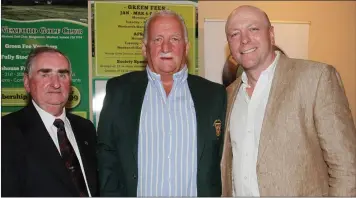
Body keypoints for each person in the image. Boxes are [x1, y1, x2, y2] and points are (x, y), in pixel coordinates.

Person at [220, 5, 356, 196]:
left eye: (253, 29)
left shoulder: (315, 79)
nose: (244, 40)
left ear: (271, 34)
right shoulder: (227, 95)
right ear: (229, 45)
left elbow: (346, 167)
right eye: (235, 34)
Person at [97, 10, 226, 197]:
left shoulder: (214, 95)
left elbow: (221, 158)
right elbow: (106, 153)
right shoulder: (119, 91)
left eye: (174, 39)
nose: (166, 47)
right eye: (157, 39)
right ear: (144, 48)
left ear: (187, 47)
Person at [1, 47, 98, 197]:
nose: (56, 84)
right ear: (27, 82)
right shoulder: (6, 132)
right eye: (45, 74)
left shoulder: (86, 128)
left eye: (62, 74)